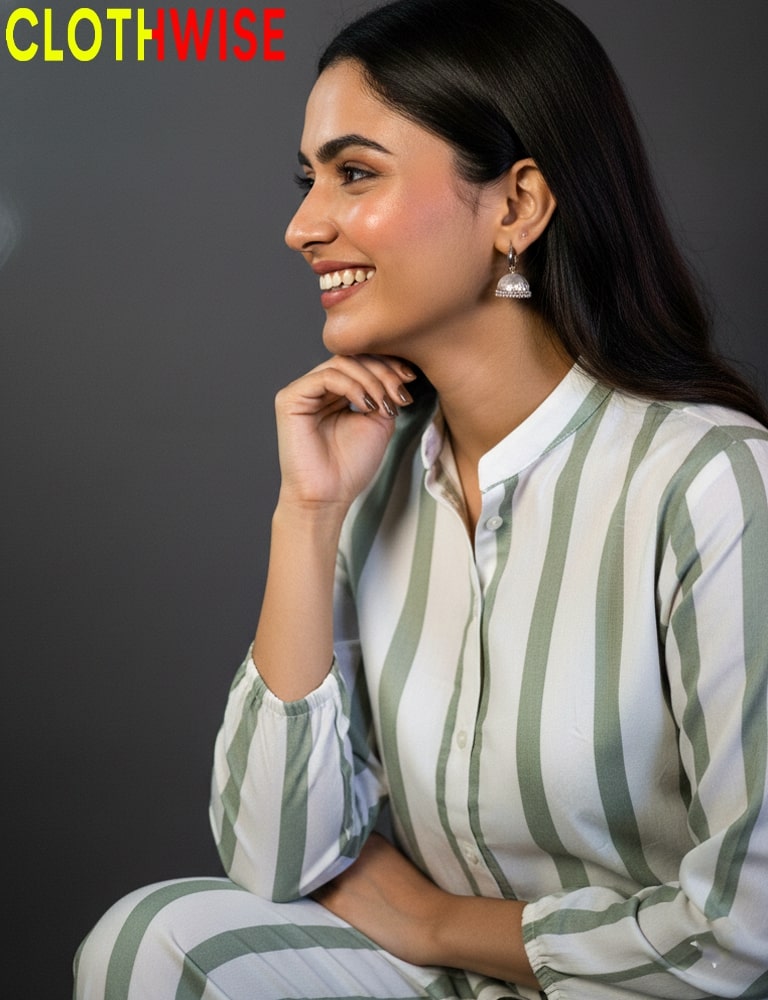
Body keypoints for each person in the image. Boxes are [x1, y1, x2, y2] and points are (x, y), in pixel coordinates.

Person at [73, 0, 768, 997]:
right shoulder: (373, 481)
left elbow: (745, 931)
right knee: (157, 937)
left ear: (517, 206)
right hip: (437, 981)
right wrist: (307, 516)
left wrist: (440, 920)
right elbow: (274, 861)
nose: (303, 225)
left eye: (355, 173)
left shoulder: (713, 483)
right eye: (307, 179)